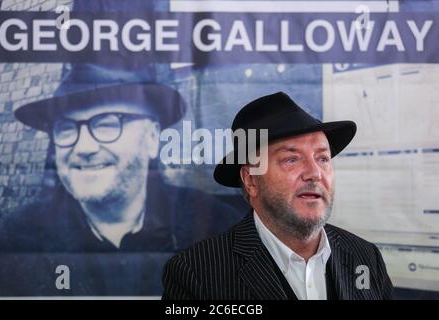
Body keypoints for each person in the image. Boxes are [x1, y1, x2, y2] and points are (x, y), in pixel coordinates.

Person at [0, 64, 244, 296]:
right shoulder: (12, 243)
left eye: (107, 124)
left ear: (152, 138)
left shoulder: (219, 230)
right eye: (66, 128)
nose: (84, 147)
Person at [162, 92, 394, 300]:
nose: (314, 173)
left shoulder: (365, 257)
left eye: (323, 158)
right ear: (251, 180)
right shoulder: (196, 273)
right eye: (291, 159)